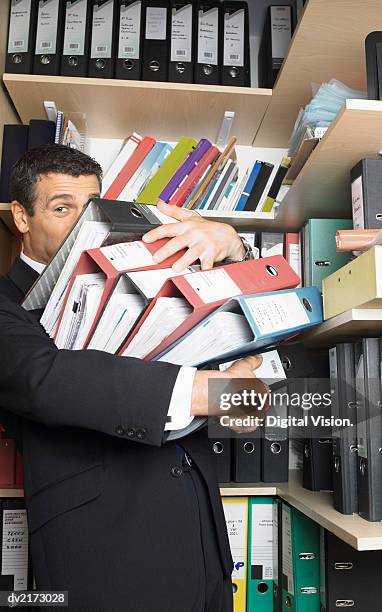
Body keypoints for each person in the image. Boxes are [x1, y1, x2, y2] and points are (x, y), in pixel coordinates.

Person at [0, 144, 266, 611]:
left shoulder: (137, 273)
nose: (83, 227)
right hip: (104, 555)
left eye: (92, 209)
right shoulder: (6, 302)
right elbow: (41, 378)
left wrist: (234, 243)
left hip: (203, 533)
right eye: (63, 209)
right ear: (21, 217)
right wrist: (208, 392)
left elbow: (230, 332)